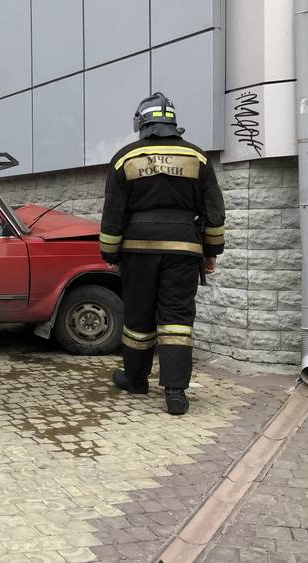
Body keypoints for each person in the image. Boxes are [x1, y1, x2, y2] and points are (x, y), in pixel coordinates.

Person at [100, 92, 226, 415]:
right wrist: (211, 252)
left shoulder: (124, 159)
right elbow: (214, 212)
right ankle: (175, 392)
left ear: (142, 122)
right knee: (177, 320)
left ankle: (136, 380)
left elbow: (113, 213)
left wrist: (111, 254)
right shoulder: (197, 159)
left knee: (138, 318)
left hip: (137, 252)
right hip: (184, 251)